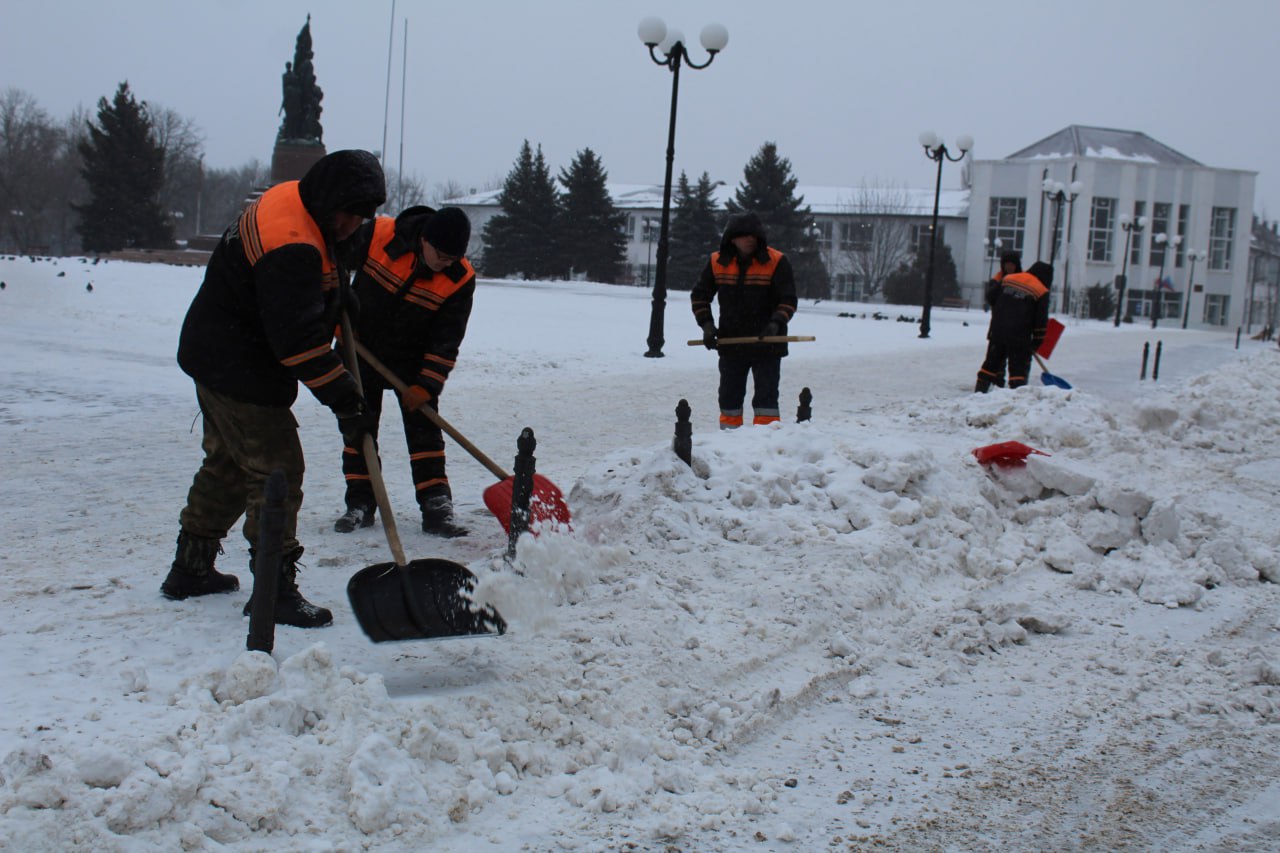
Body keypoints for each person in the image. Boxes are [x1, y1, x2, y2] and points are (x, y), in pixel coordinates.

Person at [161, 149, 386, 628]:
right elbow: (299, 345)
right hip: (238, 363)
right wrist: (347, 400)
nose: (352, 225)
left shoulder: (296, 200)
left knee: (227, 464)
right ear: (328, 200)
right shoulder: (292, 244)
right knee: (277, 468)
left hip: (218, 348)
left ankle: (191, 569)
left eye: (362, 216)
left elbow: (310, 285)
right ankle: (274, 589)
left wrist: (335, 296)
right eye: (348, 213)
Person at [332, 206, 476, 538]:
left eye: (452, 258)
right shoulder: (379, 236)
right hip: (359, 349)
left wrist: (428, 384)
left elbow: (447, 337)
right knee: (359, 429)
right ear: (424, 239)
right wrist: (335, 315)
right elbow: (330, 263)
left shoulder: (460, 278)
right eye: (440, 254)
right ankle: (361, 503)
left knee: (424, 431)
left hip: (412, 360)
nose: (444, 263)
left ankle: (436, 505)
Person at [691, 212, 798, 428]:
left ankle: (766, 440)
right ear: (732, 238)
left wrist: (776, 323)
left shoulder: (776, 261)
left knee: (766, 400)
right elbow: (700, 296)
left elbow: (788, 300)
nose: (751, 239)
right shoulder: (716, 262)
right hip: (732, 343)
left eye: (754, 235)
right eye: (744, 235)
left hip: (768, 344)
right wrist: (708, 326)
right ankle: (730, 441)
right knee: (729, 398)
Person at [975, 260, 1053, 392]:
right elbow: (1040, 321)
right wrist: (1036, 342)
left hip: (998, 330)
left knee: (990, 364)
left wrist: (1004, 308)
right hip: (1020, 336)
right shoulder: (1041, 290)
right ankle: (1016, 399)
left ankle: (978, 393)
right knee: (1017, 370)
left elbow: (990, 297)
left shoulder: (1009, 278)